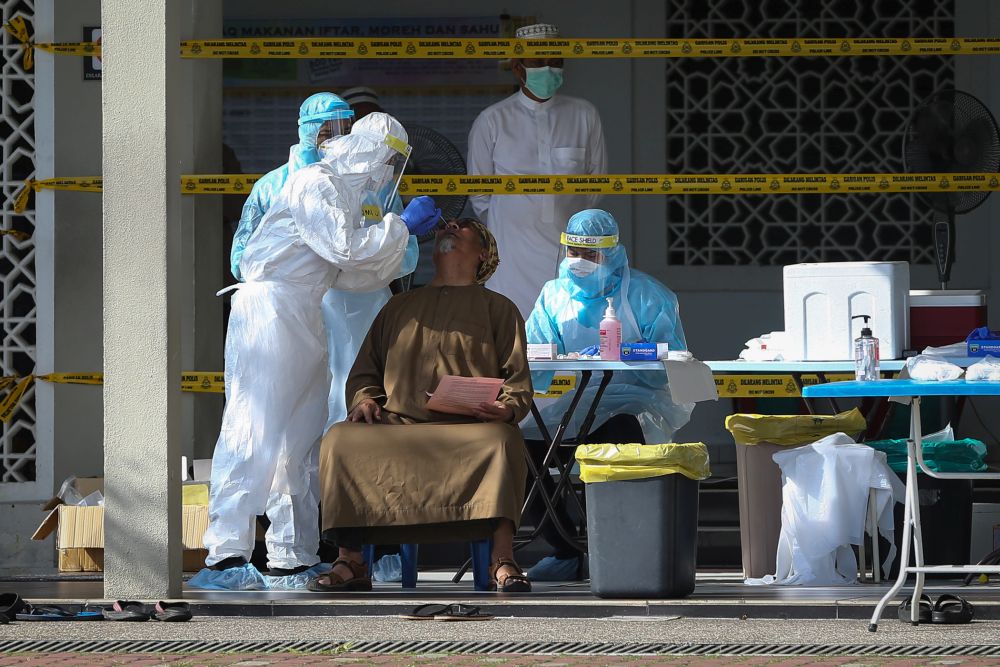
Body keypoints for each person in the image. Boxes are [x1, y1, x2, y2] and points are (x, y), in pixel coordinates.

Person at [201, 113, 441, 579]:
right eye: (390, 158)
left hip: (305, 312)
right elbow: (348, 251)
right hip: (270, 309)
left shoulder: (349, 199)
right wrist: (399, 227)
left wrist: (403, 233)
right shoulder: (317, 183)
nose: (390, 170)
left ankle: (292, 555)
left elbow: (356, 275)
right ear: (372, 148)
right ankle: (226, 553)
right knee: (253, 429)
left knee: (301, 439)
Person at [310, 218, 534, 593]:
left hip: (470, 432)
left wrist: (505, 409)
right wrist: (365, 400)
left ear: (483, 253)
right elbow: (365, 372)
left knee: (503, 440)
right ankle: (351, 559)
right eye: (446, 227)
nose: (450, 227)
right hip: (398, 427)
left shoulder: (499, 309)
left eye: (463, 228)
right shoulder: (399, 306)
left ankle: (503, 558)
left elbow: (517, 384)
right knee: (339, 439)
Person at [522, 209, 694, 580]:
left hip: (637, 402)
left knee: (618, 441)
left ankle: (618, 552)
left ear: (612, 254)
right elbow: (535, 359)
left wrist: (629, 355)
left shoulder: (648, 294)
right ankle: (567, 548)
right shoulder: (553, 296)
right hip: (582, 402)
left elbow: (673, 361)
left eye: (591, 255)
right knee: (518, 450)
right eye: (573, 252)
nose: (579, 263)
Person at [467, 22, 607, 318]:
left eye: (556, 62)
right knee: (514, 335)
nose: (550, 69)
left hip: (571, 254)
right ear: (518, 68)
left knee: (570, 333)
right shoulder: (492, 121)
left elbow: (596, 185)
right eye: (539, 62)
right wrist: (513, 219)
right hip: (511, 257)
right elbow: (480, 196)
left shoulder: (584, 115)